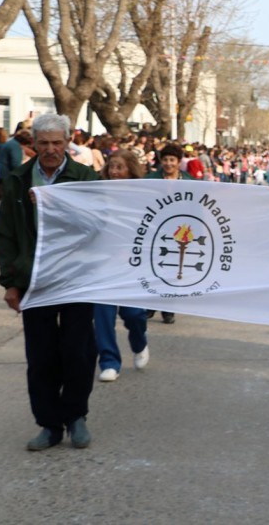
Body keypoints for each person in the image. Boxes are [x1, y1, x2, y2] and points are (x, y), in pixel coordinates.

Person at [0, 113, 100, 450]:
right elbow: (6, 234)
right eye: (44, 143)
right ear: (34, 145)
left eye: (57, 142)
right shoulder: (18, 178)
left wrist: (56, 205)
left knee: (78, 352)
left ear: (68, 142)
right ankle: (49, 425)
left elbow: (98, 225)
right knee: (41, 357)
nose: (52, 149)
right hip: (34, 279)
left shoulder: (84, 177)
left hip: (76, 278)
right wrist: (11, 282)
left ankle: (76, 416)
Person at [94, 150, 150, 382]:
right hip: (102, 265)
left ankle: (139, 343)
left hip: (132, 265)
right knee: (103, 315)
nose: (114, 171)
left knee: (134, 314)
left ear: (130, 170)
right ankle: (109, 362)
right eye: (111, 166)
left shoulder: (144, 195)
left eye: (119, 167)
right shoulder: (97, 193)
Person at [144, 141, 192, 323]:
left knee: (173, 269)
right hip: (155, 229)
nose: (168, 163)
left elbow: (197, 208)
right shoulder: (151, 179)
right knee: (154, 266)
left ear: (179, 161)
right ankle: (150, 304)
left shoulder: (190, 182)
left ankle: (168, 308)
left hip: (180, 230)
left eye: (172, 160)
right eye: (165, 160)